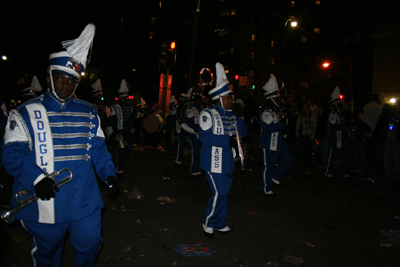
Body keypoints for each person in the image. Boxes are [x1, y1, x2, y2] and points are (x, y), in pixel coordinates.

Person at [1, 24, 117, 266]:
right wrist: (36, 178)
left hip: (84, 198)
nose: (66, 84)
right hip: (45, 201)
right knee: (47, 255)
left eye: (72, 81)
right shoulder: (24, 112)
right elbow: (12, 154)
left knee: (91, 242)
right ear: (48, 78)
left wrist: (109, 174)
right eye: (60, 78)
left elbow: (97, 149)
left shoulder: (88, 111)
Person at [200, 62, 247, 237]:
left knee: (224, 192)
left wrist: (240, 115)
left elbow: (242, 133)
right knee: (219, 192)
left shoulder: (232, 113)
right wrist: (228, 139)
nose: (231, 100)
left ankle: (219, 221)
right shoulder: (208, 113)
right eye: (228, 97)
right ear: (219, 98)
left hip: (228, 161)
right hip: (213, 161)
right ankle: (208, 221)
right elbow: (204, 137)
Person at [259, 75, 293, 195]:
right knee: (268, 166)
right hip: (269, 142)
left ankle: (276, 176)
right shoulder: (267, 112)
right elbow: (269, 128)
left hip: (279, 140)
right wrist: (282, 124)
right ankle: (266, 187)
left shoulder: (277, 111)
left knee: (288, 158)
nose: (279, 100)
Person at [109, 79, 134, 174]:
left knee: (128, 149)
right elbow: (112, 119)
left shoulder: (130, 105)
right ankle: (119, 168)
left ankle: (120, 164)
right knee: (118, 150)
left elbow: (130, 118)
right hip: (118, 129)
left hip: (127, 129)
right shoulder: (114, 106)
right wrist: (115, 131)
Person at [324, 86, 350, 178]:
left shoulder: (341, 114)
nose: (340, 105)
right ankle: (328, 171)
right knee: (332, 155)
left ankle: (343, 171)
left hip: (341, 138)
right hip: (335, 138)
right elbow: (335, 127)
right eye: (338, 104)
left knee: (345, 155)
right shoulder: (333, 115)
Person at [180, 94, 203, 175]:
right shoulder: (191, 110)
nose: (201, 102)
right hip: (193, 133)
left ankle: (198, 168)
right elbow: (189, 123)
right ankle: (194, 169)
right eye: (200, 100)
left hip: (200, 133)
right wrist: (196, 129)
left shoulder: (201, 109)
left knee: (199, 151)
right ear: (196, 101)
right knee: (195, 151)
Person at [363, 93, 382, 173]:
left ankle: (368, 166)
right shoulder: (378, 108)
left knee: (368, 151)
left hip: (367, 132)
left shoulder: (366, 107)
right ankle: (375, 167)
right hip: (375, 132)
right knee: (376, 151)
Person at [295, 103, 317, 169]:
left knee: (308, 150)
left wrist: (313, 135)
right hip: (303, 135)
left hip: (309, 135)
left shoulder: (312, 117)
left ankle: (308, 163)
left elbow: (314, 126)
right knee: (303, 150)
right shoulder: (301, 116)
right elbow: (298, 125)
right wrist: (297, 133)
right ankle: (303, 163)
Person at [174, 87, 192, 164]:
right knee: (181, 142)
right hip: (180, 125)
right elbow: (179, 116)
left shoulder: (188, 105)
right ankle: (178, 159)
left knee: (185, 141)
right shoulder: (181, 105)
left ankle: (181, 157)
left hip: (186, 124)